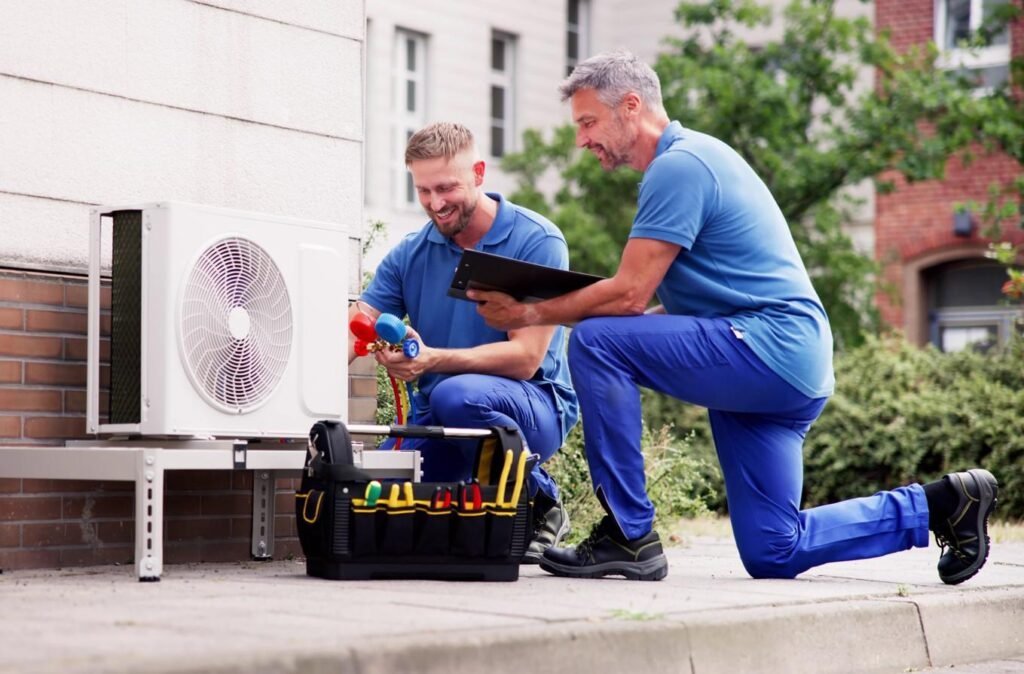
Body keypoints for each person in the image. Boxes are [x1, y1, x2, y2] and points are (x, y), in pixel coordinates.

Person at [472, 50, 999, 583]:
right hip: (784, 363)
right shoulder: (695, 160)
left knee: (596, 341)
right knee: (774, 549)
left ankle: (627, 533)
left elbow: (628, 296)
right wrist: (616, 325)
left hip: (767, 346)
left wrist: (530, 310)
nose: (582, 139)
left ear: (631, 106)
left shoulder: (679, 166)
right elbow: (659, 308)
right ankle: (942, 504)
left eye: (588, 122)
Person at [350, 122, 578, 562]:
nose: (435, 204)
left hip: (532, 408)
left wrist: (431, 360)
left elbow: (527, 359)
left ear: (478, 172)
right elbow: (357, 322)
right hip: (439, 417)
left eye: (446, 188)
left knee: (457, 393)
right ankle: (486, 508)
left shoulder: (536, 241)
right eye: (423, 190)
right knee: (368, 500)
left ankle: (541, 499)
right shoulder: (411, 253)